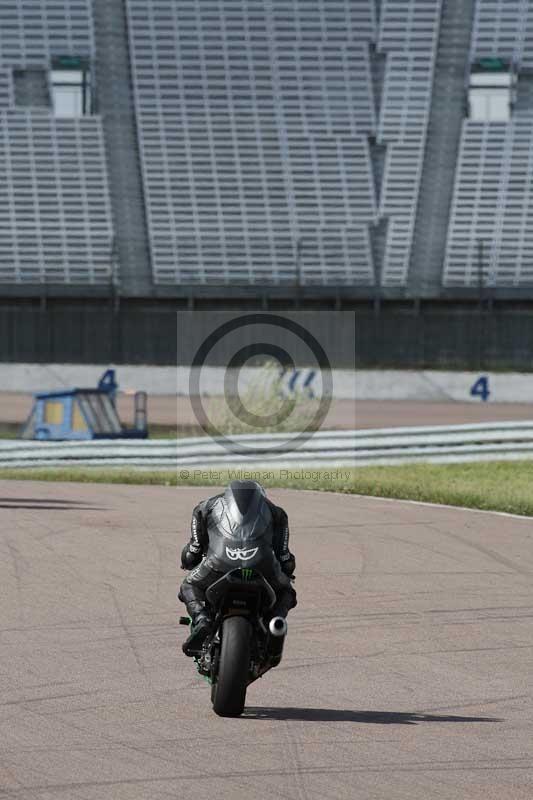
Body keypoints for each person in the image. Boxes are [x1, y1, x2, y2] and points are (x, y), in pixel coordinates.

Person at [179, 480, 297, 655]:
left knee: (189, 585)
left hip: (218, 563)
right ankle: (273, 624)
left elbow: (191, 555)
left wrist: (192, 553)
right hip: (263, 567)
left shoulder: (208, 505)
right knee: (287, 592)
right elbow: (285, 559)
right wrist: (287, 570)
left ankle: (202, 618)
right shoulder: (276, 511)